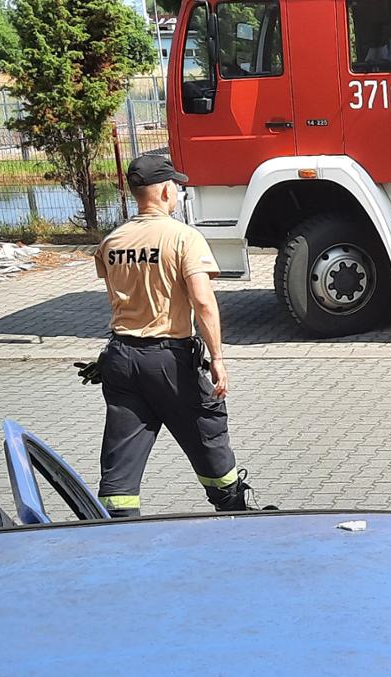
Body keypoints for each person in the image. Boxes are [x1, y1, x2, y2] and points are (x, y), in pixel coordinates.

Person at [84, 153, 264, 516]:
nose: (179, 193)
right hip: (168, 360)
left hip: (120, 358)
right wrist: (217, 359)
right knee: (208, 433)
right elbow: (203, 303)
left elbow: (119, 299)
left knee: (121, 460)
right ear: (166, 191)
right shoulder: (184, 238)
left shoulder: (111, 242)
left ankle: (117, 528)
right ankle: (235, 513)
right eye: (177, 187)